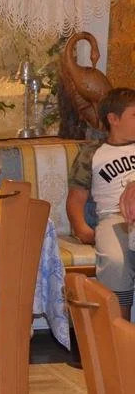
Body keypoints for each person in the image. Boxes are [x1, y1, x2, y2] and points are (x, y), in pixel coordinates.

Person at [67, 87, 135, 320]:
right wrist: (81, 228)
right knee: (116, 261)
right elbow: (76, 198)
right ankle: (120, 329)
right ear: (113, 119)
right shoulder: (92, 153)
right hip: (114, 218)